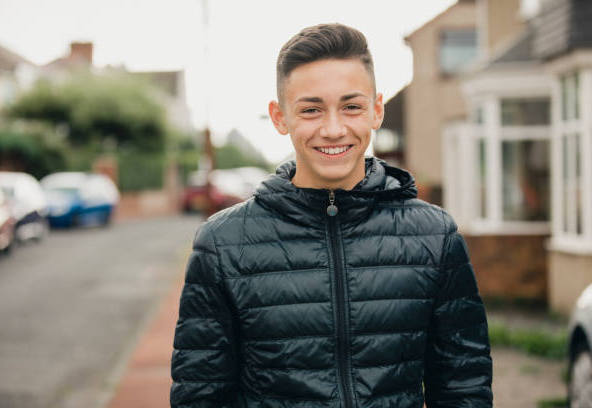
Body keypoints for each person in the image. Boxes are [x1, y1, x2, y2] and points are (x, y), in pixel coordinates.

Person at [171, 23, 493, 407]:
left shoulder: (435, 236)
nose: (334, 128)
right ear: (280, 117)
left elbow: (464, 386)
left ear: (376, 111)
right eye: (311, 109)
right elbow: (200, 395)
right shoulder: (222, 244)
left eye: (351, 106)